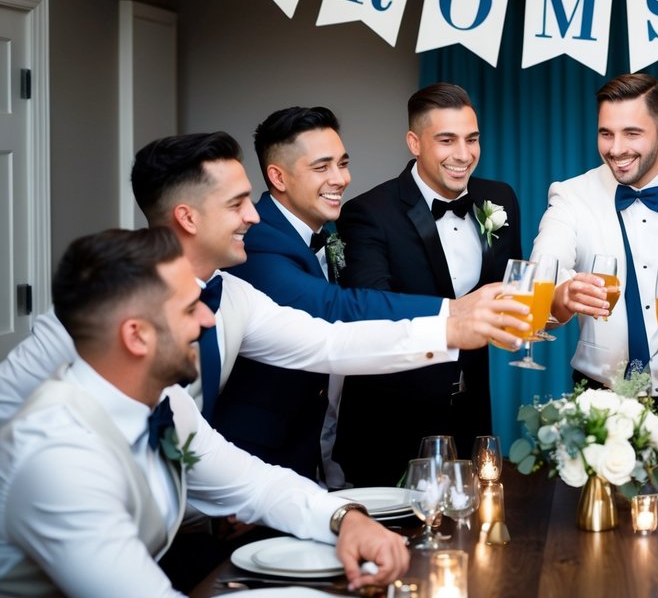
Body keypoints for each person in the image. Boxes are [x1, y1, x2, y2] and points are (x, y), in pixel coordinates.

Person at [0, 132, 529, 426]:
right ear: (187, 218)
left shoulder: (232, 296)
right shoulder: (89, 314)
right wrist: (451, 317)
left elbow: (330, 344)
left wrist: (451, 328)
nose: (254, 215)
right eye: (236, 203)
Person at [0, 228, 410, 596]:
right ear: (136, 336)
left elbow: (256, 485)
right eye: (189, 307)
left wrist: (346, 518)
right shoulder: (57, 456)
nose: (209, 318)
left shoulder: (163, 401)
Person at [221, 106, 497, 483]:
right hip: (259, 462)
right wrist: (453, 312)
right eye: (322, 167)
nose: (340, 179)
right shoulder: (257, 241)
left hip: (317, 450)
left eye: (342, 163)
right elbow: (335, 307)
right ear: (278, 177)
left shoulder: (325, 234)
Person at [532, 73, 658, 456]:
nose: (616, 148)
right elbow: (540, 279)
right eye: (605, 134)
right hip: (596, 409)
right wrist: (562, 294)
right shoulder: (571, 196)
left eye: (631, 133)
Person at [334, 83, 523, 483]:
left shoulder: (499, 198)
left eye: (472, 139)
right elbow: (369, 308)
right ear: (414, 142)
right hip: (390, 422)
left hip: (471, 417)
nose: (464, 154)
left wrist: (546, 307)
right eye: (446, 140)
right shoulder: (366, 212)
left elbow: (511, 287)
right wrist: (455, 314)